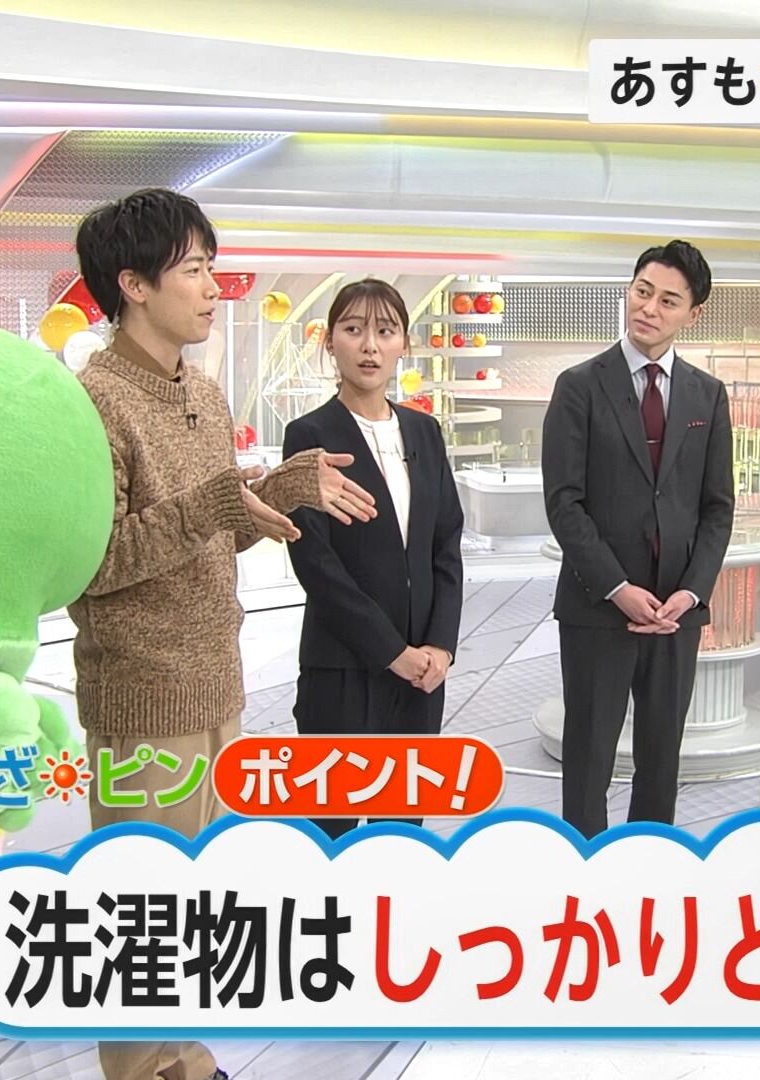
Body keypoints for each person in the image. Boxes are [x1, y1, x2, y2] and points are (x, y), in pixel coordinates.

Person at [68, 188, 376, 1080]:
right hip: (142, 696)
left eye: (212, 268)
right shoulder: (93, 403)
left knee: (194, 904)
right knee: (139, 912)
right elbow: (94, 563)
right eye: (195, 271)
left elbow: (215, 529)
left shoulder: (200, 389)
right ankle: (140, 1068)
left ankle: (185, 1057)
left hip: (216, 685)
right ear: (133, 284)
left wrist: (280, 488)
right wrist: (213, 502)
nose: (213, 288)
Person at [542, 240, 736, 838]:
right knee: (588, 761)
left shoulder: (707, 394)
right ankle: (583, 872)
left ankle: (651, 866)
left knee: (661, 761)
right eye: (642, 291)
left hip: (675, 614)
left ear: (692, 314)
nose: (649, 308)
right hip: (598, 608)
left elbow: (717, 508)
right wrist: (617, 588)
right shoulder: (579, 386)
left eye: (668, 300)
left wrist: (692, 592)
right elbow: (564, 504)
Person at [282, 279, 466, 838]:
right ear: (330, 342)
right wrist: (391, 653)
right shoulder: (308, 436)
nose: (369, 346)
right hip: (341, 669)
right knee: (330, 834)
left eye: (385, 331)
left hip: (421, 676)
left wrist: (439, 646)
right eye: (353, 329)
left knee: (402, 835)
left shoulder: (424, 432)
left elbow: (446, 544)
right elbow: (316, 564)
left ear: (403, 344)